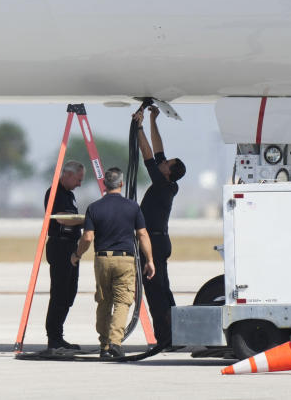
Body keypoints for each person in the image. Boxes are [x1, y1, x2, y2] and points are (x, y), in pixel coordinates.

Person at [72, 167, 154, 360]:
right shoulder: (132, 207)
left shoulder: (94, 208)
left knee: (103, 301)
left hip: (101, 259)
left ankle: (104, 344)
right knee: (123, 301)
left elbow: (88, 237)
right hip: (125, 259)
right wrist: (149, 260)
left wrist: (77, 254)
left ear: (104, 185)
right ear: (121, 184)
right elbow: (142, 234)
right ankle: (116, 343)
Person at [135, 104, 186, 347]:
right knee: (164, 290)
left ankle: (165, 338)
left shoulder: (162, 183)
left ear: (168, 172)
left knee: (155, 292)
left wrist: (139, 127)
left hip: (153, 242)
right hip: (161, 240)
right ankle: (174, 334)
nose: (162, 162)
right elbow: (158, 151)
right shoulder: (169, 183)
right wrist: (154, 120)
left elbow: (147, 154)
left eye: (167, 163)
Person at [43, 160, 85, 351]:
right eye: (78, 179)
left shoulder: (69, 195)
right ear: (67, 174)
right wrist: (87, 219)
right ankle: (54, 338)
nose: (80, 183)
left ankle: (58, 335)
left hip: (71, 247)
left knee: (69, 293)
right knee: (59, 293)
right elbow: (61, 217)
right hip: (60, 246)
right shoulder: (55, 193)